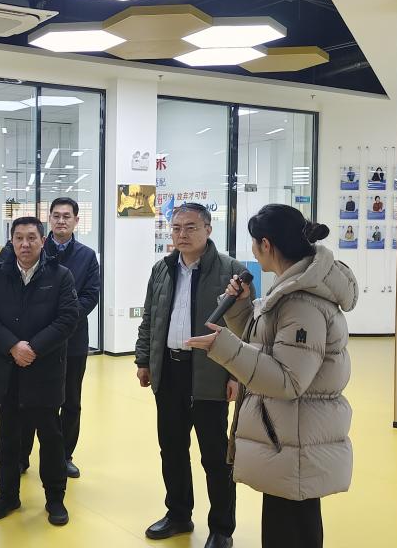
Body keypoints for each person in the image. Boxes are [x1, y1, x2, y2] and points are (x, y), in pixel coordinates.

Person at [186, 204, 356, 548]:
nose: (253, 251)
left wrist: (223, 347)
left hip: (294, 438)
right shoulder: (289, 290)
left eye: (254, 243)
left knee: (289, 531)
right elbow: (265, 346)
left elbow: (288, 380)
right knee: (292, 526)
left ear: (266, 244)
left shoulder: (301, 303)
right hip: (287, 436)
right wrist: (240, 307)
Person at [134, 202, 246, 548]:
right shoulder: (162, 269)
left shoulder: (231, 272)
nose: (181, 234)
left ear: (208, 230)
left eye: (190, 227)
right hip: (169, 371)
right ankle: (179, 515)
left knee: (215, 456)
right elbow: (150, 318)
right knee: (172, 449)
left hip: (210, 374)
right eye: (176, 228)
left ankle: (222, 528)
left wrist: (236, 374)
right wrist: (144, 359)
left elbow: (244, 330)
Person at [0, 216, 80, 526]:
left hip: (44, 370)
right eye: (19, 238)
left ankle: (55, 499)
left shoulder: (60, 275)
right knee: (7, 438)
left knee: (51, 439)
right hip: (7, 370)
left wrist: (33, 348)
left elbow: (68, 318)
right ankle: (7, 495)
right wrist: (12, 346)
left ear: (42, 241)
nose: (25, 244)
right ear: (11, 241)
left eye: (31, 238)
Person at [20, 198, 101, 479]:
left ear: (77, 220)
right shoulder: (34, 249)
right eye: (56, 216)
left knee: (70, 400)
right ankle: (21, 455)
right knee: (29, 399)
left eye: (67, 216)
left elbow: (90, 295)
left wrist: (62, 322)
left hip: (73, 342)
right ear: (49, 219)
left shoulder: (87, 256)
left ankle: (63, 456)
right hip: (34, 342)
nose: (61, 221)